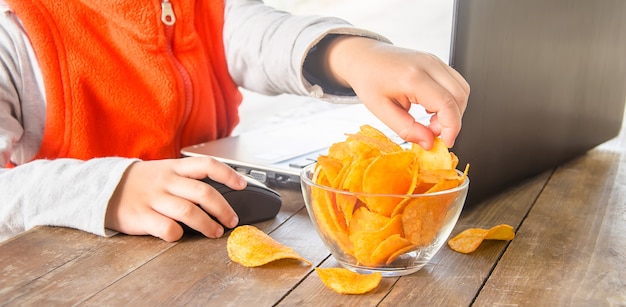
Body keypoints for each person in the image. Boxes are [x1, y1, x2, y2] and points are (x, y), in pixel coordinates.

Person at [0, 0, 469, 243]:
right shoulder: (12, 30)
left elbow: (259, 34)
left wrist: (349, 54)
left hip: (208, 252)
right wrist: (111, 188)